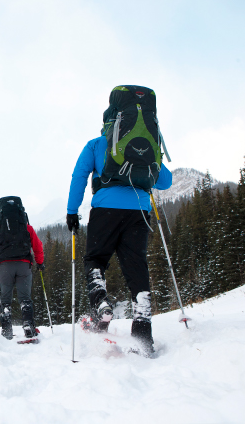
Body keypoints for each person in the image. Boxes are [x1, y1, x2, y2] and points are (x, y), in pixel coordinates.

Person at [66, 85, 172, 356]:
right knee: (136, 266)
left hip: (105, 211)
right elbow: (165, 181)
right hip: (139, 212)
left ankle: (100, 303)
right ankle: (143, 334)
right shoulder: (146, 145)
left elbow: (79, 177)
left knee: (96, 260)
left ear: (108, 121)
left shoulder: (97, 145)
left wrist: (71, 211)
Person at [0, 197, 44, 340]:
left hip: (5, 266)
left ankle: (6, 330)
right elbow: (38, 246)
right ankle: (28, 326)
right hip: (24, 265)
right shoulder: (27, 228)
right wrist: (40, 263)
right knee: (25, 298)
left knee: (5, 299)